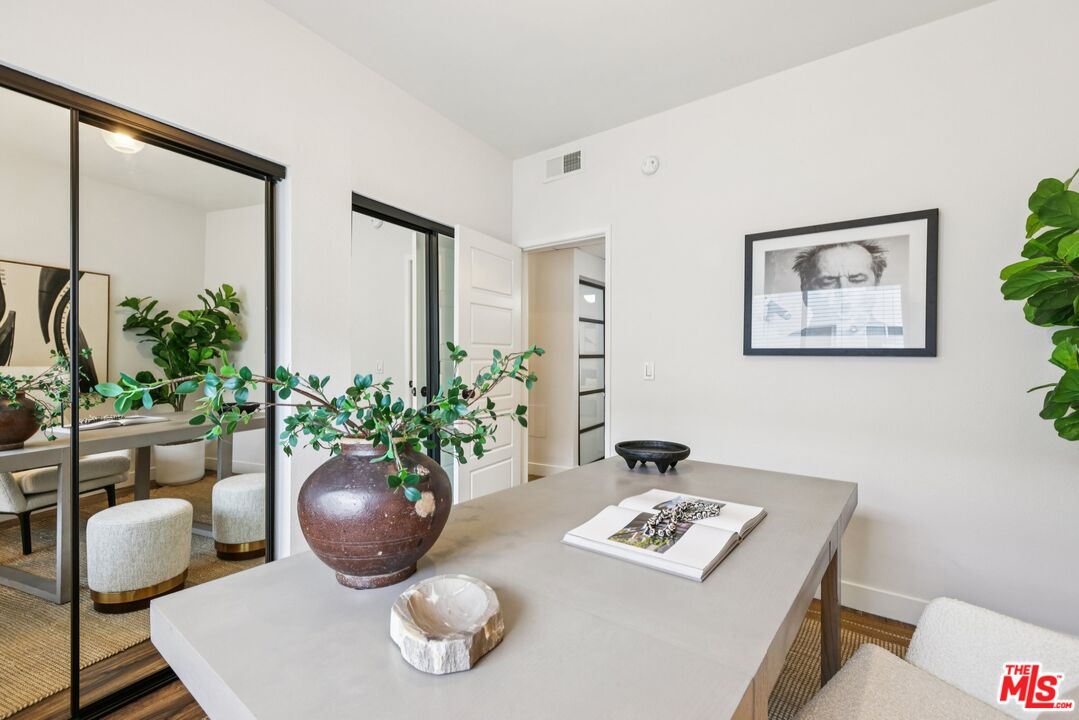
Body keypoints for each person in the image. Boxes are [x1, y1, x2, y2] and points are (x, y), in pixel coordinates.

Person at [790, 240, 902, 340]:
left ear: (876, 286)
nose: (843, 291)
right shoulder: (792, 342)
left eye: (857, 280)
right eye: (827, 282)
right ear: (805, 291)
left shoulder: (898, 338)